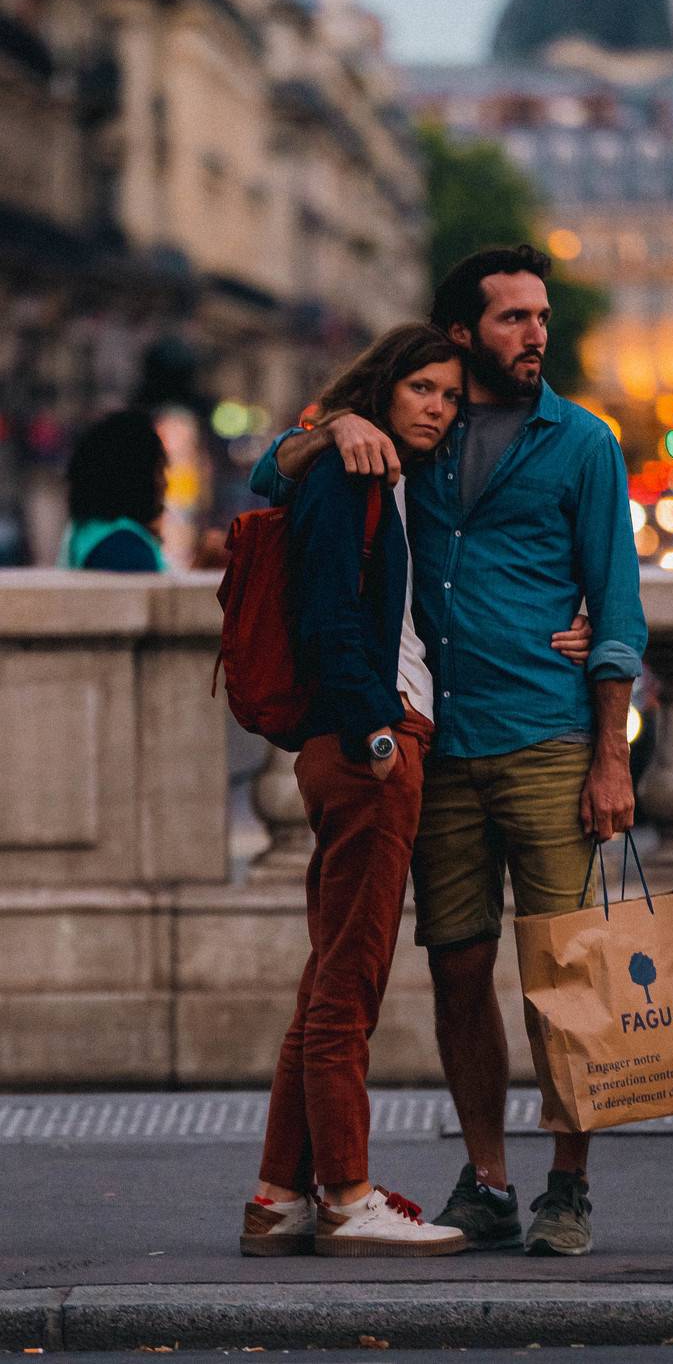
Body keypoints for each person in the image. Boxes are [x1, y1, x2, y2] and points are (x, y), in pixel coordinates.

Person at [252, 245, 647, 1259]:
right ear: (463, 332)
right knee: (458, 971)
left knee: (566, 976)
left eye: (542, 316)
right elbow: (267, 475)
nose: (536, 334)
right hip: (439, 744)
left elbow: (617, 608)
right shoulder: (418, 427)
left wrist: (611, 757)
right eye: (514, 318)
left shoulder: (582, 442)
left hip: (547, 736)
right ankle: (489, 1180)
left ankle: (568, 1186)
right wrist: (334, 425)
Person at [242, 325, 479, 1259]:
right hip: (368, 746)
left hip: (361, 742)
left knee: (327, 980)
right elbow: (328, 613)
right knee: (350, 987)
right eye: (422, 388)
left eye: (449, 397)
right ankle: (344, 1195)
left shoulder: (378, 472)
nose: (437, 408)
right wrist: (376, 731)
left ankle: (277, 1198)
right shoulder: (351, 473)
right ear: (382, 389)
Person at [58, 410, 168, 572]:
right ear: (136, 477)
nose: (164, 483)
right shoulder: (123, 548)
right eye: (159, 470)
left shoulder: (86, 531)